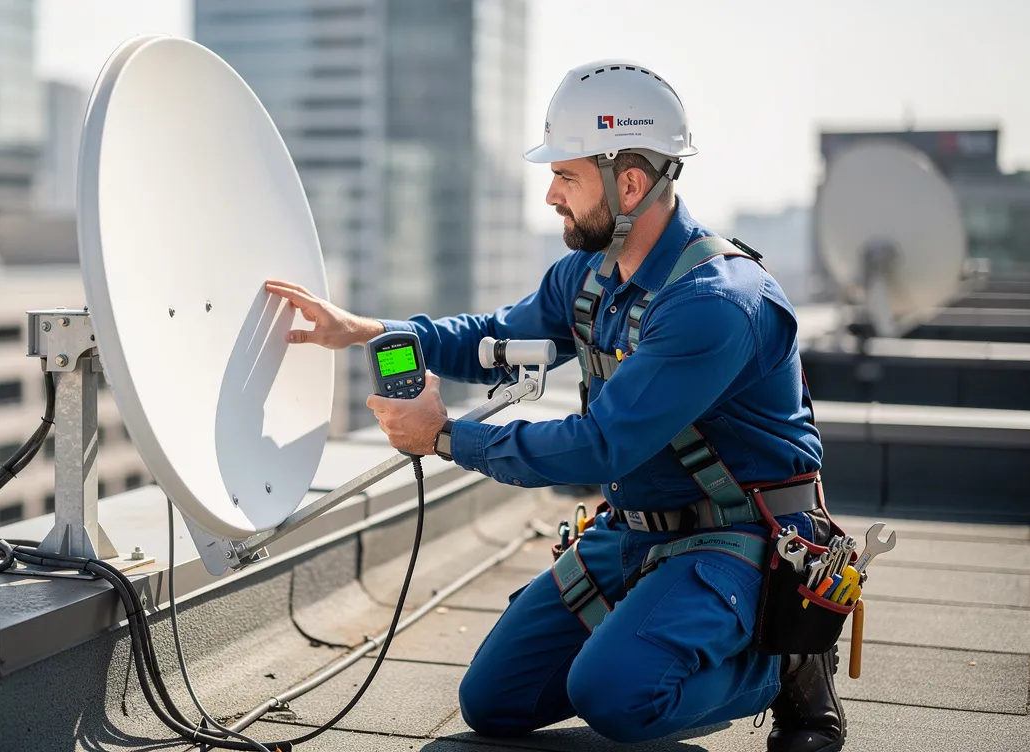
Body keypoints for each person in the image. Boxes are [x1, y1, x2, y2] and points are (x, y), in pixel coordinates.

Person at [265, 60, 845, 752]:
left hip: (740, 540)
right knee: (493, 702)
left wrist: (445, 438)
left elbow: (601, 446)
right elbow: (493, 339)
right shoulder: (590, 275)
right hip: (635, 532)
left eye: (566, 176)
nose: (549, 195)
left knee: (616, 696)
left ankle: (785, 667)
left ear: (629, 183)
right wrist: (368, 330)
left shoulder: (714, 305)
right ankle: (649, 639)